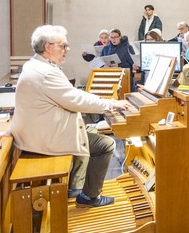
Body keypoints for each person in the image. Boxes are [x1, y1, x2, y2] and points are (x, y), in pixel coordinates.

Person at [10, 25, 132, 208]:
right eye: (63, 46)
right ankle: (90, 197)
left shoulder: (35, 64)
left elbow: (69, 95)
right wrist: (110, 103)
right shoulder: (46, 73)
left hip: (37, 132)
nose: (67, 50)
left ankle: (77, 186)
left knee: (89, 129)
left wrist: (98, 99)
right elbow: (75, 99)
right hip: (44, 139)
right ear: (48, 47)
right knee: (106, 144)